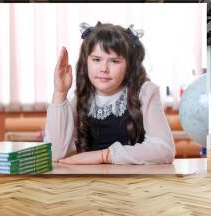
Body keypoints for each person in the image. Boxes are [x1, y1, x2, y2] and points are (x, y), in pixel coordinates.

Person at [44, 22, 175, 165]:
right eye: (96, 59)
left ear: (129, 65)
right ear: (85, 62)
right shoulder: (81, 98)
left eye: (114, 61)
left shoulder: (145, 92)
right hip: (91, 183)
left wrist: (104, 156)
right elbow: (55, 154)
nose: (104, 69)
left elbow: (164, 149)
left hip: (133, 183)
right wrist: (60, 92)